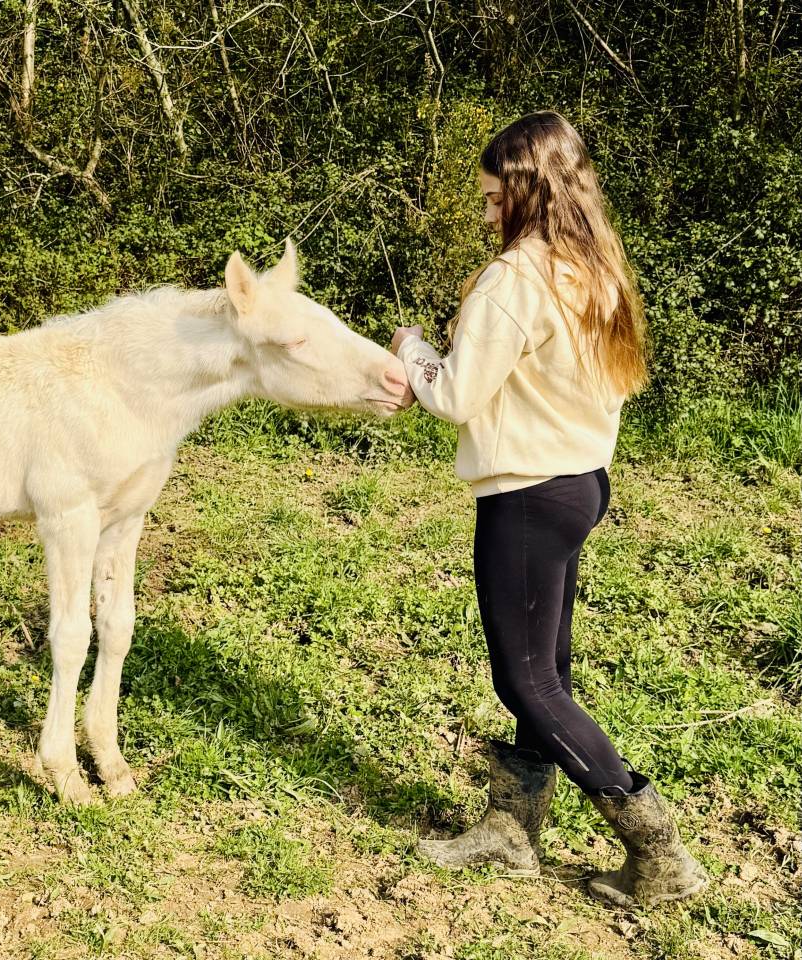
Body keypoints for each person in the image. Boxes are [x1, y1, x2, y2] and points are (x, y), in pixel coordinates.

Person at [391, 111, 708, 907]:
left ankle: (660, 853)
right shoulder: (594, 270)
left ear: (530, 194)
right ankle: (510, 830)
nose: (487, 213)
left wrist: (411, 350)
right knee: (547, 668)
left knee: (528, 680)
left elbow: (456, 394)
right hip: (579, 484)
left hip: (528, 494)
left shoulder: (514, 281)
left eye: (496, 198)